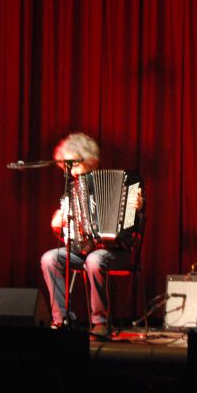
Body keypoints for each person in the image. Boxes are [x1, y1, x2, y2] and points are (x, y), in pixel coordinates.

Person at [40, 132, 143, 335]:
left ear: (92, 162)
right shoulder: (71, 191)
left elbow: (135, 225)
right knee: (49, 258)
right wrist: (58, 225)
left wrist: (136, 209)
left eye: (75, 165)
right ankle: (62, 319)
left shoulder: (127, 184)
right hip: (83, 251)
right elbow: (66, 234)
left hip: (117, 252)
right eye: (66, 167)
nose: (71, 172)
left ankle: (100, 322)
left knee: (95, 260)